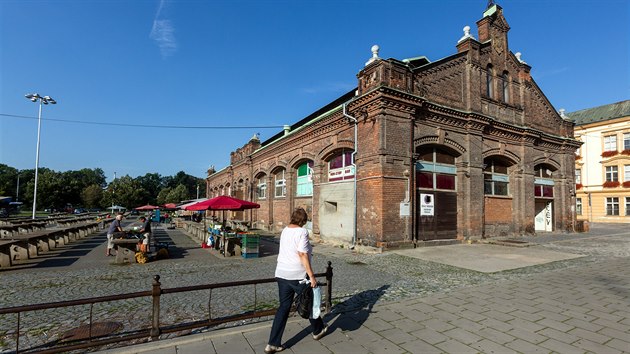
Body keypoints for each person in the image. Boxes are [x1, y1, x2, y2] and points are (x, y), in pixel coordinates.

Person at [265, 208, 327, 354]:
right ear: (303, 220)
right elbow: (302, 254)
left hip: (281, 273)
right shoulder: (302, 232)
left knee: (283, 307)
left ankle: (272, 343)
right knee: (310, 302)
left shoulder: (285, 230)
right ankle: (318, 330)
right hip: (297, 275)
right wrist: (311, 276)